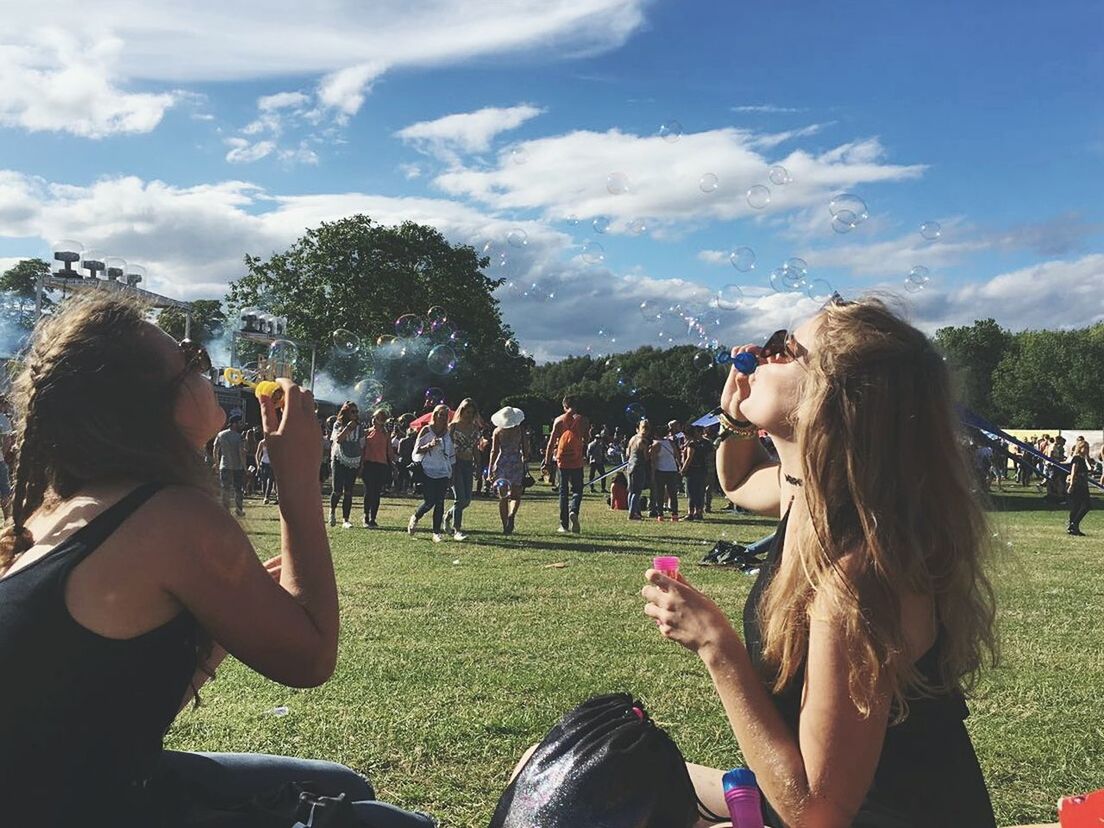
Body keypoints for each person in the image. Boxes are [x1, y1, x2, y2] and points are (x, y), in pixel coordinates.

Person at [0, 295, 434, 827]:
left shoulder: (62, 508)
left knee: (342, 787)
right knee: (398, 825)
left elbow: (106, 712)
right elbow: (311, 659)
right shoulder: (170, 516)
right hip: (81, 807)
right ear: (152, 406)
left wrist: (219, 626)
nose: (208, 369)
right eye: (192, 362)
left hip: (63, 784)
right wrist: (298, 478)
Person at [635, 299, 998, 826]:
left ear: (831, 400)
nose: (759, 353)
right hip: (818, 804)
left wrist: (716, 645)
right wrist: (736, 421)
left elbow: (819, 815)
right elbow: (735, 483)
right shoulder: (813, 500)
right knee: (594, 766)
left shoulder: (860, 576)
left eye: (785, 348)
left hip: (875, 818)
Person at [407, 404, 454, 543]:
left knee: (440, 502)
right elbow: (416, 451)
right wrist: (429, 445)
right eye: (441, 414)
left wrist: (452, 472)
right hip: (428, 470)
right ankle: (416, 517)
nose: (443, 418)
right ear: (435, 415)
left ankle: (436, 532)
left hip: (443, 471)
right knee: (430, 501)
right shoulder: (426, 430)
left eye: (446, 415)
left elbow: (451, 454)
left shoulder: (447, 433)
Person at [544, 395, 588, 534]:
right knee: (577, 489)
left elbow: (551, 443)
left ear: (564, 406)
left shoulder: (559, 421)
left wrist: (546, 460)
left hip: (562, 461)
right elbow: (586, 440)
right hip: (577, 460)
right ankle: (573, 509)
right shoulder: (583, 420)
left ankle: (564, 525)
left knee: (563, 492)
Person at [443, 399, 480, 541]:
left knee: (467, 500)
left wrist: (478, 464)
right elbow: (447, 446)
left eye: (471, 413)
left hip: (468, 463)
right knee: (460, 498)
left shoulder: (474, 428)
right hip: (455, 464)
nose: (469, 415)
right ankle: (457, 529)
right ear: (461, 411)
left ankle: (448, 515)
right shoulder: (453, 427)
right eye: (467, 412)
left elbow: (475, 448)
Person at [488, 406, 528, 535]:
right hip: (516, 461)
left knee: (503, 496)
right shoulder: (519, 430)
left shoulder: (497, 431)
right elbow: (525, 448)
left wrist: (490, 468)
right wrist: (525, 458)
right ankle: (511, 515)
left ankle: (505, 525)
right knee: (516, 495)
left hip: (502, 462)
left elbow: (494, 451)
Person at [329, 402, 362, 528]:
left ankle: (345, 519)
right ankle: (332, 512)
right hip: (339, 457)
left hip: (354, 459)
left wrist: (361, 463)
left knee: (348, 491)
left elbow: (362, 445)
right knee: (337, 490)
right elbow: (338, 439)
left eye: (356, 411)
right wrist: (348, 428)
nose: (355, 414)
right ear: (346, 412)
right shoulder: (338, 424)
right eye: (352, 411)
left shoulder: (360, 427)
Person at [361, 408, 394, 528]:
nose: (375, 420)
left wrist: (393, 465)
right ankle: (365, 515)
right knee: (369, 491)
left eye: (379, 418)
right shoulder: (366, 432)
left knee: (376, 493)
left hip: (381, 465)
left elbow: (389, 452)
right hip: (368, 464)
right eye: (375, 417)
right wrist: (361, 465)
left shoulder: (386, 435)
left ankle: (373, 517)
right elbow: (362, 449)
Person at [212, 414, 247, 516]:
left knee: (225, 488)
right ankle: (239, 509)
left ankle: (225, 510)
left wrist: (217, 463)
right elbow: (241, 453)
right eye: (239, 423)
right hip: (237, 467)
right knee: (238, 489)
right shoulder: (239, 437)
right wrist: (245, 467)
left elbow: (215, 450)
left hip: (225, 465)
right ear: (234, 424)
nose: (240, 425)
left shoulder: (221, 434)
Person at [650, 422, 681, 521]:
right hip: (672, 469)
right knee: (673, 493)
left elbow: (653, 460)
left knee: (660, 493)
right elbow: (677, 455)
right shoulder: (671, 443)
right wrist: (680, 466)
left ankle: (660, 514)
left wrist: (652, 472)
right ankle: (675, 514)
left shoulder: (656, 445)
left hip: (661, 470)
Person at [681, 425, 709, 521]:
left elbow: (689, 458)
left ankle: (691, 513)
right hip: (702, 470)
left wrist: (683, 469)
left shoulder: (691, 444)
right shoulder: (701, 444)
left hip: (692, 471)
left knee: (691, 493)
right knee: (699, 492)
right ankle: (699, 512)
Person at [625, 418, 652, 521]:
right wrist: (650, 452)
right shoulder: (643, 441)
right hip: (639, 467)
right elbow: (646, 457)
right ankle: (632, 514)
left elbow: (627, 453)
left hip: (630, 466)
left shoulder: (633, 438)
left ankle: (634, 511)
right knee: (637, 492)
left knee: (631, 491)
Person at [1067, 440, 1092, 536]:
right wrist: (1071, 485)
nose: (1086, 450)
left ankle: (1073, 526)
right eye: (1084, 447)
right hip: (1077, 485)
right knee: (1082, 505)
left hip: (1083, 485)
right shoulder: (1077, 458)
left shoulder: (1083, 459)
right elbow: (1073, 472)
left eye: (1087, 448)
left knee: (1081, 506)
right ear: (1079, 448)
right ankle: (1073, 524)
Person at [256, 434, 277, 504]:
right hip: (264, 463)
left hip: (272, 464)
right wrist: (258, 464)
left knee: (270, 480)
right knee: (264, 480)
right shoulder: (262, 442)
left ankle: (266, 497)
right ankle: (265, 495)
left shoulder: (273, 443)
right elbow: (257, 454)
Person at [587, 426, 607, 493]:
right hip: (594, 461)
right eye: (598, 438)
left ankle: (603, 488)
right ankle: (592, 488)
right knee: (591, 476)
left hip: (599, 461)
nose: (600, 439)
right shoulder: (592, 445)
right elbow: (589, 453)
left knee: (603, 475)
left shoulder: (600, 444)